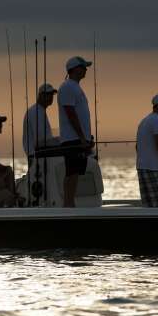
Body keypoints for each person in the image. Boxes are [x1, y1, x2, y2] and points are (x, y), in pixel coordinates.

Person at [57, 55, 94, 207]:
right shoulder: (67, 87)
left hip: (80, 139)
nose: (86, 70)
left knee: (76, 173)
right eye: (83, 67)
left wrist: (86, 137)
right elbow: (70, 113)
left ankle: (70, 203)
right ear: (74, 69)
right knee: (71, 172)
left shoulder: (75, 87)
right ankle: (68, 204)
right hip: (72, 139)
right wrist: (81, 137)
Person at [22, 83, 59, 163]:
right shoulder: (36, 112)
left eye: (52, 94)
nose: (51, 97)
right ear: (40, 95)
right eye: (48, 94)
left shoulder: (39, 111)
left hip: (39, 156)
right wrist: (60, 140)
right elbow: (41, 140)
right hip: (37, 157)